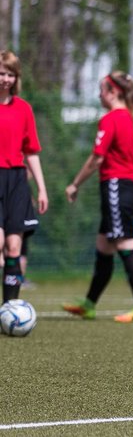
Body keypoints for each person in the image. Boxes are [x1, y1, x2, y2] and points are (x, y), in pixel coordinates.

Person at [62, 71, 133, 323]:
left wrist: (75, 184)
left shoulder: (111, 119)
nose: (99, 94)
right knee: (104, 246)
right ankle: (89, 304)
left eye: (101, 89)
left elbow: (97, 159)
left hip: (117, 187)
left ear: (113, 93)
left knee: (126, 244)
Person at [0, 50, 48, 303]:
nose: (5, 79)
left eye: (10, 74)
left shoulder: (23, 109)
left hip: (17, 181)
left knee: (14, 248)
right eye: (1, 73)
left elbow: (31, 152)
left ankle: (9, 309)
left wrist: (41, 188)